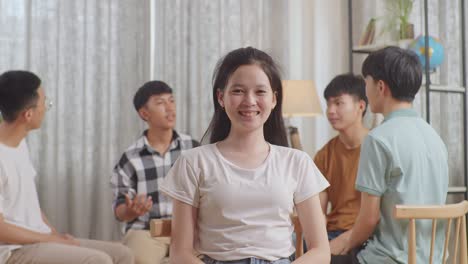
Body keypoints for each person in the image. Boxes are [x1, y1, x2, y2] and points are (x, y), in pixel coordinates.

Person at [160, 47, 331, 264]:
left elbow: (320, 251)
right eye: (238, 91)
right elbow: (180, 254)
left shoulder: (297, 162)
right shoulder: (194, 162)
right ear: (221, 97)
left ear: (274, 99)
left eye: (260, 92)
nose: (249, 101)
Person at [0, 70, 134, 264]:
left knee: (122, 254)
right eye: (45, 103)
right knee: (98, 260)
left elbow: (30, 207)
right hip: (12, 251)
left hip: (38, 240)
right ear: (28, 114)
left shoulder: (20, 144)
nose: (46, 108)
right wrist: (50, 239)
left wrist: (57, 236)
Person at [334, 46, 449, 263]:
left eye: (365, 81)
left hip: (388, 259)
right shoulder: (434, 137)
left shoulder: (378, 139)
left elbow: (369, 219)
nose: (364, 89)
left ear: (380, 86)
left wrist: (342, 243)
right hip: (434, 258)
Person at [111, 80, 200, 264]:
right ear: (144, 113)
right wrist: (131, 210)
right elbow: (119, 211)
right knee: (138, 259)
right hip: (146, 231)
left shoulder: (193, 148)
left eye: (171, 101)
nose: (169, 108)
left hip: (189, 230)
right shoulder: (130, 158)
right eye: (160, 103)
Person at [314, 74, 368, 254]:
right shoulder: (325, 154)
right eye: (328, 104)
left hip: (368, 235)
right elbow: (317, 210)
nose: (330, 110)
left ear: (360, 106)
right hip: (332, 233)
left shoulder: (377, 148)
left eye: (338, 103)